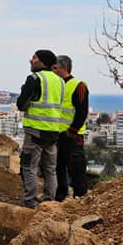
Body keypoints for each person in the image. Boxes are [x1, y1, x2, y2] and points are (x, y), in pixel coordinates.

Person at [16, 49, 67, 208]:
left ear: (42, 62)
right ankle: (49, 203)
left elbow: (21, 105)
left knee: (29, 167)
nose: (31, 60)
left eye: (34, 58)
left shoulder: (34, 78)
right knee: (50, 170)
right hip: (53, 132)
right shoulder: (60, 81)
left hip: (35, 131)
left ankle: (30, 203)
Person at [52, 55, 90, 200]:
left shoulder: (78, 85)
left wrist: (72, 130)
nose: (52, 70)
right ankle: (60, 196)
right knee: (58, 167)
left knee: (76, 166)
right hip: (57, 134)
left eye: (55, 68)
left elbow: (82, 111)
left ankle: (80, 196)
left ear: (64, 68)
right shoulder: (56, 85)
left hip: (72, 135)